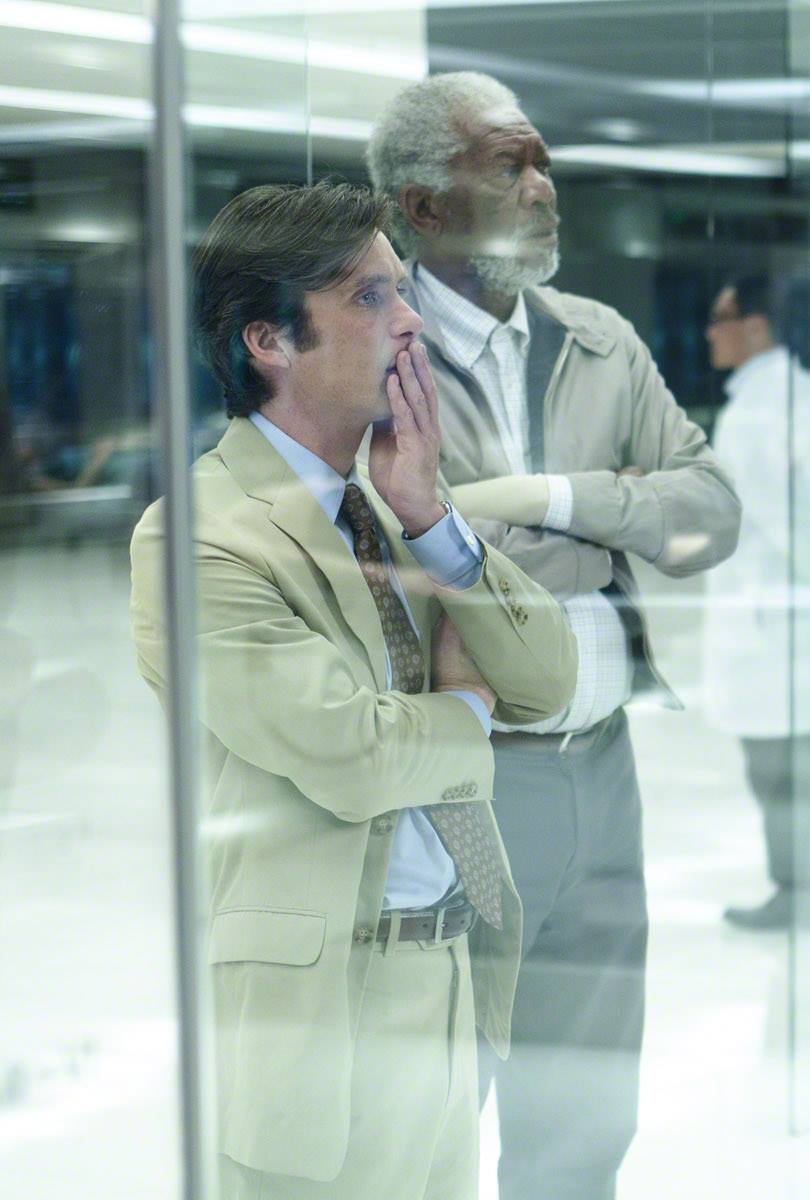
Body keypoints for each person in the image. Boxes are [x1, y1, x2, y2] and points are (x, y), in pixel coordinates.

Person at [128, 181, 578, 1200]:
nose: (411, 320)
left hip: (450, 978)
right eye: (371, 298)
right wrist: (468, 709)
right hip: (324, 1010)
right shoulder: (197, 535)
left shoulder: (391, 506)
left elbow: (548, 680)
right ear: (268, 342)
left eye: (402, 291)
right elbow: (350, 753)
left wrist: (432, 521)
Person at [366, 72, 741, 1200]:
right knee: (436, 1107)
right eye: (509, 165)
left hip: (604, 770)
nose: (543, 187)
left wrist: (550, 499)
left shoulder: (600, 341)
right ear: (423, 206)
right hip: (464, 781)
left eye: (543, 163)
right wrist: (612, 518)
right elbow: (382, 563)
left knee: (586, 1109)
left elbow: (712, 514)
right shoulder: (371, 353)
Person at [700, 273, 810, 930]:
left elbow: (781, 519)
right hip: (798, 616)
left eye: (721, 319)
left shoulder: (757, 413)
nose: (710, 333)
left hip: (771, 619)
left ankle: (800, 896)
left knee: (777, 768)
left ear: (756, 326)